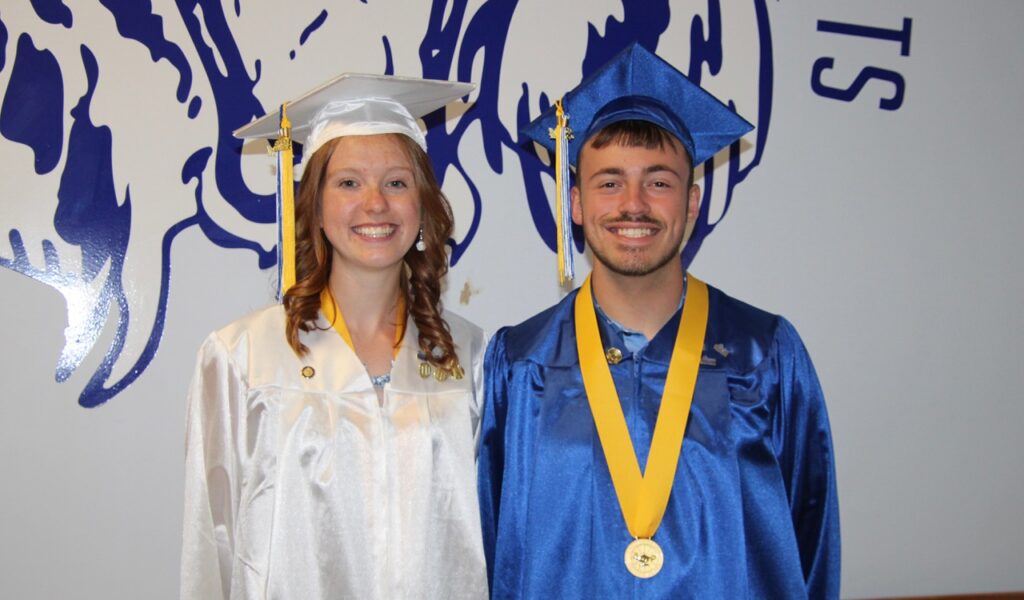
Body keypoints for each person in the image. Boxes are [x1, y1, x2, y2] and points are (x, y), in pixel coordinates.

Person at [478, 43, 840, 599]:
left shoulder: (764, 355)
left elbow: (810, 548)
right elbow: (492, 551)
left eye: (660, 181)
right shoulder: (520, 362)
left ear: (692, 204)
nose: (634, 204)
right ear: (575, 203)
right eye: (609, 181)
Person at [180, 73, 488, 599]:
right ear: (315, 207)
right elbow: (211, 543)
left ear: (422, 206)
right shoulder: (243, 357)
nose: (374, 204)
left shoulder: (472, 355)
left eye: (396, 182)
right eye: (348, 183)